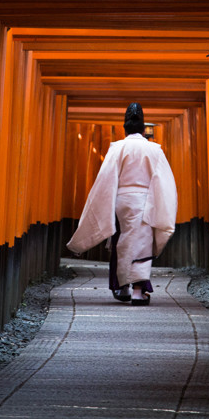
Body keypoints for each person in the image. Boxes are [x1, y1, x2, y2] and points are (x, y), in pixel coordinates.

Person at [67, 103, 178, 306]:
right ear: (144, 129)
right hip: (146, 199)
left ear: (124, 128)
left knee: (121, 241)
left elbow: (106, 178)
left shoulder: (117, 148)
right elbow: (164, 180)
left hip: (121, 200)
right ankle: (137, 290)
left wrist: (105, 204)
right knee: (142, 242)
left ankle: (123, 286)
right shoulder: (154, 149)